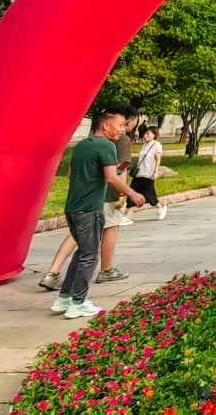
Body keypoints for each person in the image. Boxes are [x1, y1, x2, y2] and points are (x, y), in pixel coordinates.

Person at [48, 110, 145, 319]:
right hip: (90, 208)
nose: (122, 129)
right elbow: (111, 177)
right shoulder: (106, 146)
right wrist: (131, 193)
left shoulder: (82, 145)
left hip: (73, 207)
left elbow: (72, 173)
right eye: (120, 124)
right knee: (89, 257)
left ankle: (64, 298)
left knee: (82, 253)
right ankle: (78, 302)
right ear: (106, 126)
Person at [129, 126, 168, 221]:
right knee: (132, 192)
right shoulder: (144, 145)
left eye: (148, 134)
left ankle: (160, 207)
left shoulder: (156, 145)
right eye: (145, 134)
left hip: (149, 173)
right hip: (139, 173)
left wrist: (156, 171)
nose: (145, 136)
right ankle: (128, 217)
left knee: (148, 193)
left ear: (154, 134)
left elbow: (158, 159)